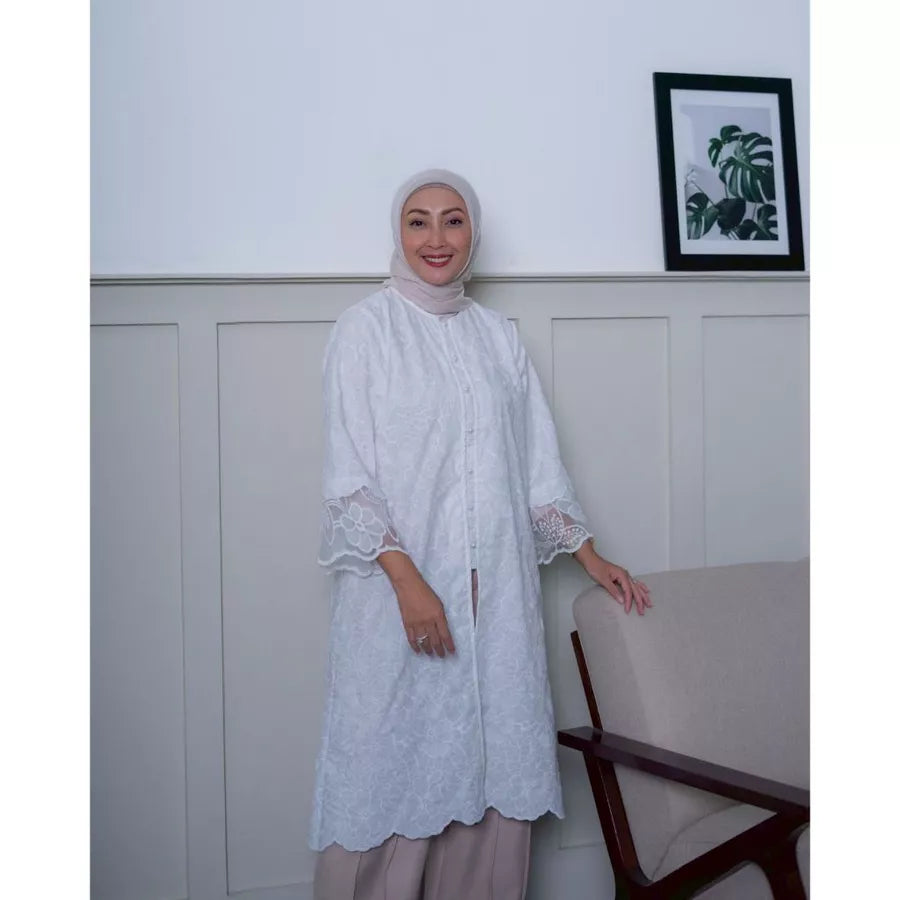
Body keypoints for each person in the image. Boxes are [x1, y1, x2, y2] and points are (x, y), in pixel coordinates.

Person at [311, 169, 651, 900]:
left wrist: (588, 555)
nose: (437, 238)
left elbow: (535, 465)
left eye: (454, 220)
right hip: (398, 600)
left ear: (474, 234)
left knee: (494, 779)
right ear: (397, 233)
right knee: (386, 777)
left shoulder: (498, 339)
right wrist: (409, 584)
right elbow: (350, 476)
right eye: (419, 220)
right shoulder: (364, 329)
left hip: (495, 600)